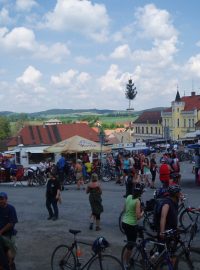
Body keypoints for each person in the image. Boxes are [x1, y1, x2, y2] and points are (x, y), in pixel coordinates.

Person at [121, 183, 144, 269]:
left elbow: (124, 209)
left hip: (124, 222)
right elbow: (138, 217)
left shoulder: (129, 196)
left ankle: (124, 260)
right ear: (140, 193)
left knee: (129, 243)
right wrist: (143, 212)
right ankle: (125, 263)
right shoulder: (137, 201)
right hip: (131, 224)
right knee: (130, 245)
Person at [0, 192, 18, 269]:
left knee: (13, 249)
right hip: (1, 234)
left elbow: (11, 223)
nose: (0, 201)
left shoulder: (11, 208)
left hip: (9, 233)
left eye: (2, 199)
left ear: (6, 199)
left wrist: (1, 231)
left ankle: (10, 263)